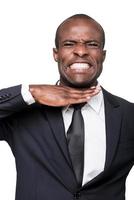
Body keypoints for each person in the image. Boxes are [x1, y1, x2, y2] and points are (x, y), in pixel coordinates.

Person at [0, 14, 134, 200]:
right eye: (69, 44)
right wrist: (29, 92)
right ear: (56, 54)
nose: (81, 51)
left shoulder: (129, 116)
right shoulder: (22, 112)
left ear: (103, 54)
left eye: (92, 44)